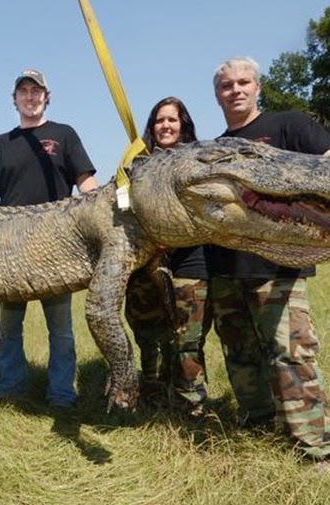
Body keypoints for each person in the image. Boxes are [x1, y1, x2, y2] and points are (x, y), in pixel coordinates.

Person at [209, 56, 330, 467]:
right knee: (240, 356)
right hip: (226, 268)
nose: (236, 90)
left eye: (243, 82)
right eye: (227, 85)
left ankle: (319, 452)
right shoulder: (217, 148)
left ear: (258, 87)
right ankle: (258, 427)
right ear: (217, 95)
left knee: (291, 356)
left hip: (278, 268)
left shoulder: (288, 125)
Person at [0, 69, 99, 409]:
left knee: (61, 330)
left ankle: (62, 394)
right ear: (15, 100)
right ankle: (12, 389)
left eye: (36, 91)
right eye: (23, 91)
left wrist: (101, 211)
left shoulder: (64, 135)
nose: (30, 97)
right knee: (9, 328)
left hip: (57, 248)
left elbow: (87, 184)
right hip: (10, 250)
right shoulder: (1, 143)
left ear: (46, 97)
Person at [125, 97, 211, 413]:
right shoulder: (136, 163)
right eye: (159, 120)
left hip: (190, 263)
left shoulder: (199, 161)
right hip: (146, 264)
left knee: (188, 339)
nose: (165, 126)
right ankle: (152, 398)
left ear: (183, 124)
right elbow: (123, 207)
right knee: (148, 336)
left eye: (172, 120)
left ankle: (191, 406)